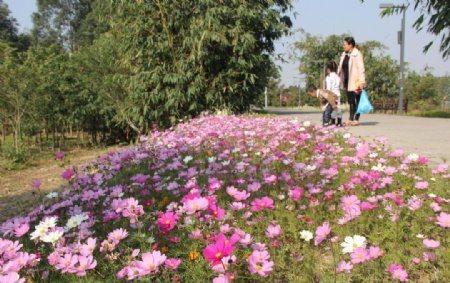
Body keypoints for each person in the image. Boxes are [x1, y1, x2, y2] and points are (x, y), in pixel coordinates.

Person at [337, 37, 366, 126]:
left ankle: (356, 119)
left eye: (345, 44)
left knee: (357, 100)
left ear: (350, 45)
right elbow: (340, 67)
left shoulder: (357, 54)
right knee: (350, 101)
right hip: (347, 80)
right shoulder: (344, 54)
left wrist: (362, 81)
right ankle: (350, 119)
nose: (343, 46)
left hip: (356, 81)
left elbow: (361, 68)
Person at [325, 61, 342, 126]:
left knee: (332, 108)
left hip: (332, 94)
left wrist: (326, 95)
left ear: (328, 69)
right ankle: (339, 122)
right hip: (338, 94)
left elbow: (329, 88)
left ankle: (333, 122)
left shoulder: (328, 77)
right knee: (338, 108)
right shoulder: (337, 77)